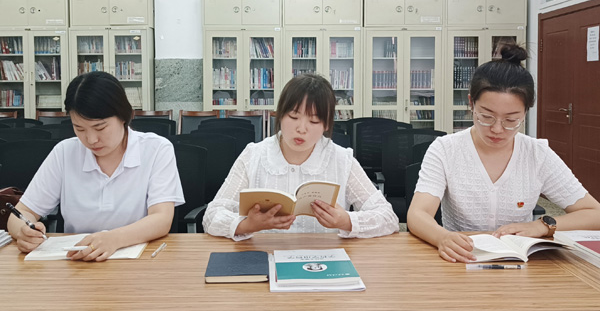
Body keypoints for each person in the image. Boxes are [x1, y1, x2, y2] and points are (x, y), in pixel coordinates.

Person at [407, 43, 600, 263]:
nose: (497, 129)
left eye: (511, 120)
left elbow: (594, 213)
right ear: (471, 103)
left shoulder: (537, 154)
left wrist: (542, 226)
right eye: (486, 116)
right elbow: (417, 214)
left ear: (525, 112)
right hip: (461, 260)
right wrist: (442, 237)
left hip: (522, 264)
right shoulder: (445, 149)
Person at [7, 71, 185, 261]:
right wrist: (24, 232)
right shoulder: (65, 152)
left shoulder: (156, 149)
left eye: (100, 127)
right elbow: (22, 213)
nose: (91, 139)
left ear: (124, 116)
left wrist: (114, 239)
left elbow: (161, 219)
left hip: (138, 262)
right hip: (77, 265)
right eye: (79, 128)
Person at [203, 73, 399, 240]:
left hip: (324, 261)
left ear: (326, 125)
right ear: (280, 115)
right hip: (265, 257)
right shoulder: (253, 155)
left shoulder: (341, 160)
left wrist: (346, 221)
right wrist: (246, 225)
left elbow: (388, 218)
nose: (301, 129)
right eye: (294, 117)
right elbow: (211, 216)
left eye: (313, 121)